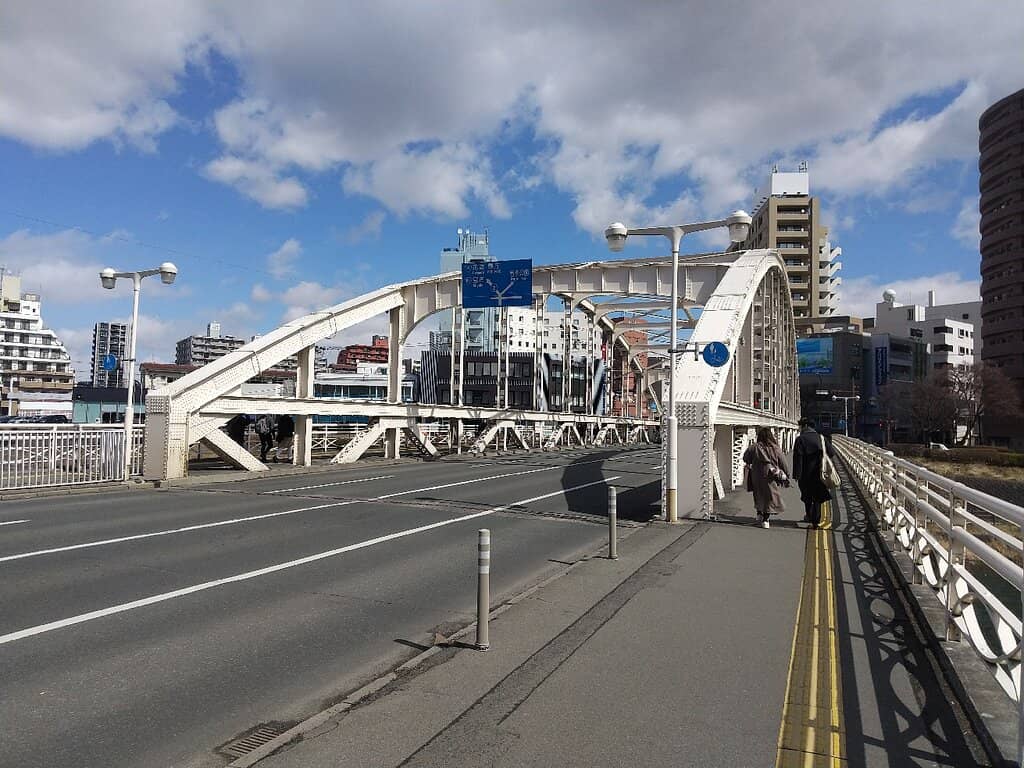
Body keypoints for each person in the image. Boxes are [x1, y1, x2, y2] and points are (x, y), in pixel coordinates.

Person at [743, 427, 790, 529]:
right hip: (770, 475)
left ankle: (759, 514)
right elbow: (783, 463)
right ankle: (766, 519)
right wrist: (787, 475)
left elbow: (745, 458)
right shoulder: (775, 448)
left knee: (758, 494)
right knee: (770, 497)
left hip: (756, 475)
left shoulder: (754, 447)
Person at [793, 417, 835, 528]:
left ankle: (809, 515)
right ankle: (816, 521)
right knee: (817, 497)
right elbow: (831, 453)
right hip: (820, 472)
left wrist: (796, 474)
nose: (800, 428)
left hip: (805, 473)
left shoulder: (800, 439)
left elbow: (798, 458)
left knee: (807, 496)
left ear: (805, 426)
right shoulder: (821, 438)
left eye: (800, 426)